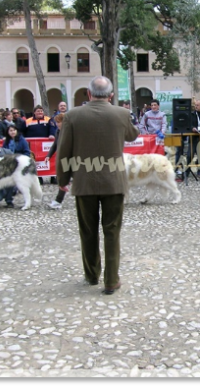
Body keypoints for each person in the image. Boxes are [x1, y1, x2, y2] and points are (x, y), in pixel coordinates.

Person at [56, 76, 139, 295]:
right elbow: (133, 135)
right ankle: (111, 280)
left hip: (84, 182)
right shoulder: (121, 113)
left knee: (88, 231)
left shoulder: (72, 115)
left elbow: (64, 149)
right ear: (111, 95)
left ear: (89, 93)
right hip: (114, 181)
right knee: (112, 231)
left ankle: (92, 275)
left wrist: (62, 180)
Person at [45, 113, 66, 209]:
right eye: (57, 122)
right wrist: (48, 156)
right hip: (63, 158)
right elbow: (55, 145)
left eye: (59, 122)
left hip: (71, 159)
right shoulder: (58, 131)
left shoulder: (69, 131)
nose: (57, 124)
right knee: (62, 180)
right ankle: (58, 201)